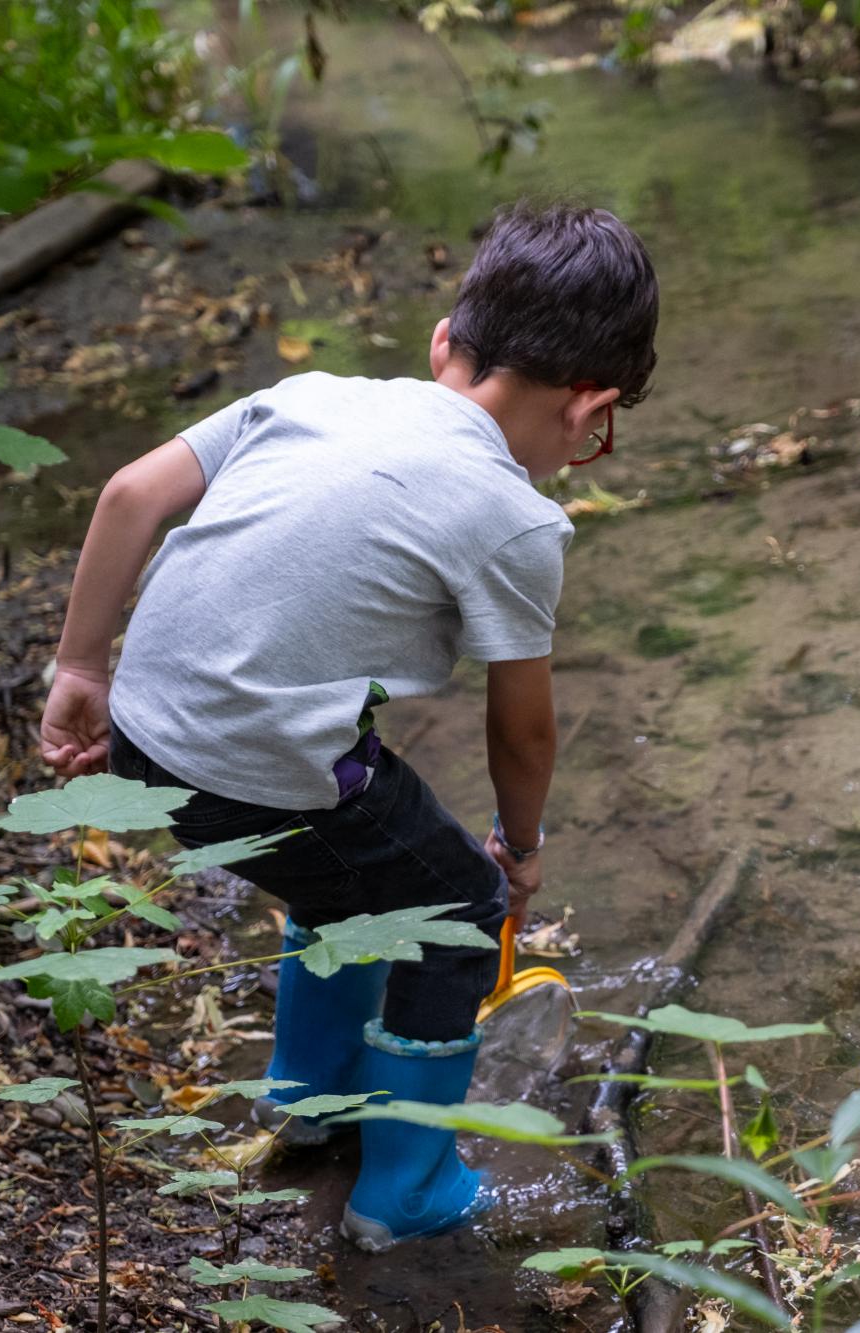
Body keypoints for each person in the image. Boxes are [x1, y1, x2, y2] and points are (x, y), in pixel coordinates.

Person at [35, 201, 659, 1250]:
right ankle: (402, 1189)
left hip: (145, 727)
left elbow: (130, 495)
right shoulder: (514, 517)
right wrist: (517, 848)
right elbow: (524, 736)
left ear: (443, 346)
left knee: (350, 872)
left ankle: (310, 1106)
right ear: (587, 407)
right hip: (251, 765)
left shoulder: (311, 394)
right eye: (598, 434)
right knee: (453, 902)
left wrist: (80, 667)